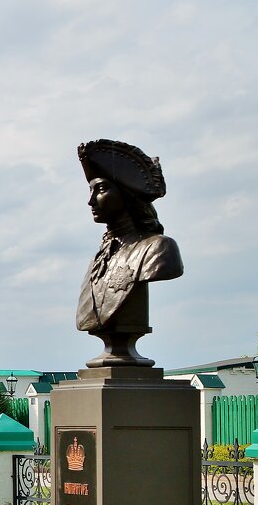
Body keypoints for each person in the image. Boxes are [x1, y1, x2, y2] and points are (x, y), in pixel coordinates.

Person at [74, 139, 183, 366]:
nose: (91, 200)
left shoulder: (158, 248)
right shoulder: (98, 258)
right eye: (91, 190)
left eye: (101, 189)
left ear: (127, 195)